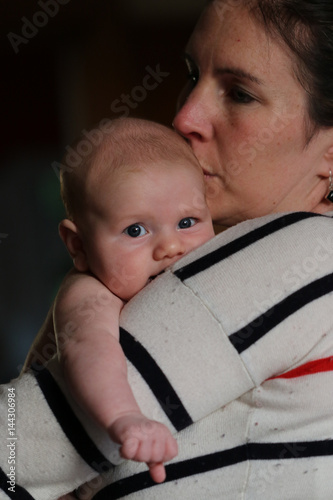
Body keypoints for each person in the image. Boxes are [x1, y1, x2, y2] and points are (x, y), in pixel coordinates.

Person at [1, 0, 333, 499]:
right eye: (191, 73)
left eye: (240, 93)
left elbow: (16, 442)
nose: (184, 117)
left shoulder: (302, 254)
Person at [53, 117, 214, 484]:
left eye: (188, 222)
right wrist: (125, 418)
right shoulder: (90, 294)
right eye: (135, 230)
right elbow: (89, 350)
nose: (171, 247)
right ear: (78, 246)